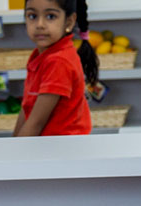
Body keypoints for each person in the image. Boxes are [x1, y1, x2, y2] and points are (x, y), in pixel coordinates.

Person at [13, 0, 95, 136]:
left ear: (69, 22)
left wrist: (14, 154)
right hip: (48, 146)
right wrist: (11, 145)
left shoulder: (58, 61)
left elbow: (36, 122)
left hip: (63, 149)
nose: (40, 25)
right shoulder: (41, 55)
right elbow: (27, 108)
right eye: (32, 16)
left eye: (50, 16)